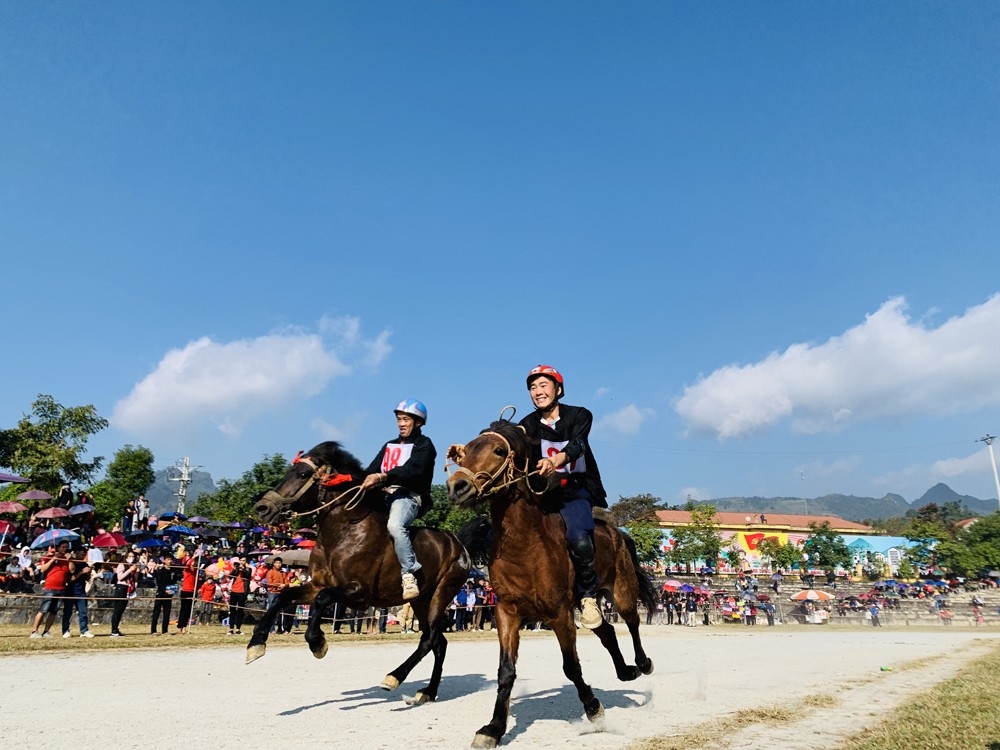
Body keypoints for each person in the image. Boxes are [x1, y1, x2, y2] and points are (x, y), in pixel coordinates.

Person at [456, 365, 608, 629]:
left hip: (574, 492)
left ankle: (587, 596)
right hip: (542, 494)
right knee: (497, 535)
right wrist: (469, 452)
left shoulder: (580, 415)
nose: (538, 391)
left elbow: (579, 444)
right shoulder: (525, 426)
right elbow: (500, 444)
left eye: (543, 385)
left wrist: (555, 460)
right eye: (533, 387)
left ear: (558, 389)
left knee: (579, 538)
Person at [360, 399, 436, 601]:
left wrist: (383, 477)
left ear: (418, 422)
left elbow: (414, 470)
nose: (401, 424)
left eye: (406, 420)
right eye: (399, 419)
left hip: (408, 496)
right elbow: (371, 470)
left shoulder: (424, 445)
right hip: (383, 495)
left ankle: (409, 573)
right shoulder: (389, 445)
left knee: (395, 525)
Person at [30, 540, 72, 638]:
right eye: (63, 547)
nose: (65, 549)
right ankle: (34, 631)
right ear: (58, 547)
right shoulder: (50, 557)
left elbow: (71, 570)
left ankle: (46, 631)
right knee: (43, 610)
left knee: (53, 611)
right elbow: (42, 569)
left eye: (66, 547)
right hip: (50, 588)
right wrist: (53, 559)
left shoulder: (68, 558)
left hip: (61, 588)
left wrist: (70, 560)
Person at [61, 547, 93, 638]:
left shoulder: (84, 564)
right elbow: (70, 579)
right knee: (67, 612)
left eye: (84, 555)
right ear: (76, 552)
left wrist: (88, 573)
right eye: (81, 554)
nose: (82, 556)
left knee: (83, 612)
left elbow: (87, 579)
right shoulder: (71, 563)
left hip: (81, 591)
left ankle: (84, 630)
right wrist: (82, 572)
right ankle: (65, 631)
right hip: (70, 591)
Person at [110, 552, 139, 637]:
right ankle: (113, 630)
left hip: (128, 589)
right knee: (117, 610)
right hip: (121, 587)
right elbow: (120, 577)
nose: (131, 558)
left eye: (133, 556)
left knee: (121, 610)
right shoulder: (122, 565)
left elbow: (135, 580)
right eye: (129, 556)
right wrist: (129, 570)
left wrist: (136, 572)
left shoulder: (133, 566)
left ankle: (116, 628)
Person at [150, 553, 176, 635]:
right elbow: (159, 583)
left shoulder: (173, 571)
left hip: (169, 594)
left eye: (170, 559)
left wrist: (173, 590)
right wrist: (165, 590)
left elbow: (174, 582)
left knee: (167, 613)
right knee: (156, 612)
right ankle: (153, 630)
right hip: (160, 593)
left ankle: (165, 630)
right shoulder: (161, 570)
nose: (169, 561)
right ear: (164, 561)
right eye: (168, 559)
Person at [226, 557, 251, 635]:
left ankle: (238, 629)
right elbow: (230, 577)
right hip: (234, 591)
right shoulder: (236, 569)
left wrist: (242, 569)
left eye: (243, 560)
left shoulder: (248, 569)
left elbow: (247, 575)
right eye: (241, 560)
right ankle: (231, 629)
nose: (242, 562)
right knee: (232, 610)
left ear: (246, 562)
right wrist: (235, 569)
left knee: (240, 611)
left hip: (242, 592)